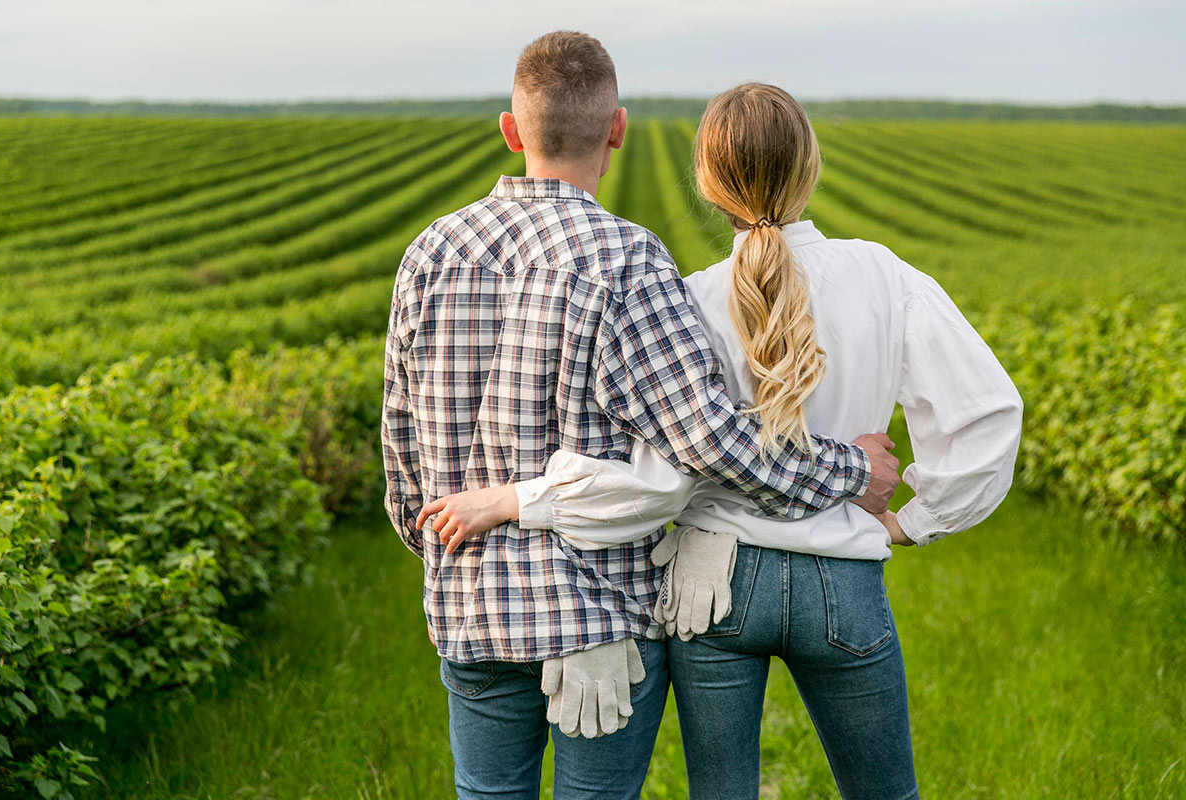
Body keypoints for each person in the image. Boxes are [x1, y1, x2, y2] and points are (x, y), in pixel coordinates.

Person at [419, 83, 1024, 799]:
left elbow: (661, 474)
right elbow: (987, 415)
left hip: (716, 586)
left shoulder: (691, 295)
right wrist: (913, 520)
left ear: (707, 183)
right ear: (810, 169)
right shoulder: (884, 276)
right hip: (845, 580)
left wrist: (521, 501)